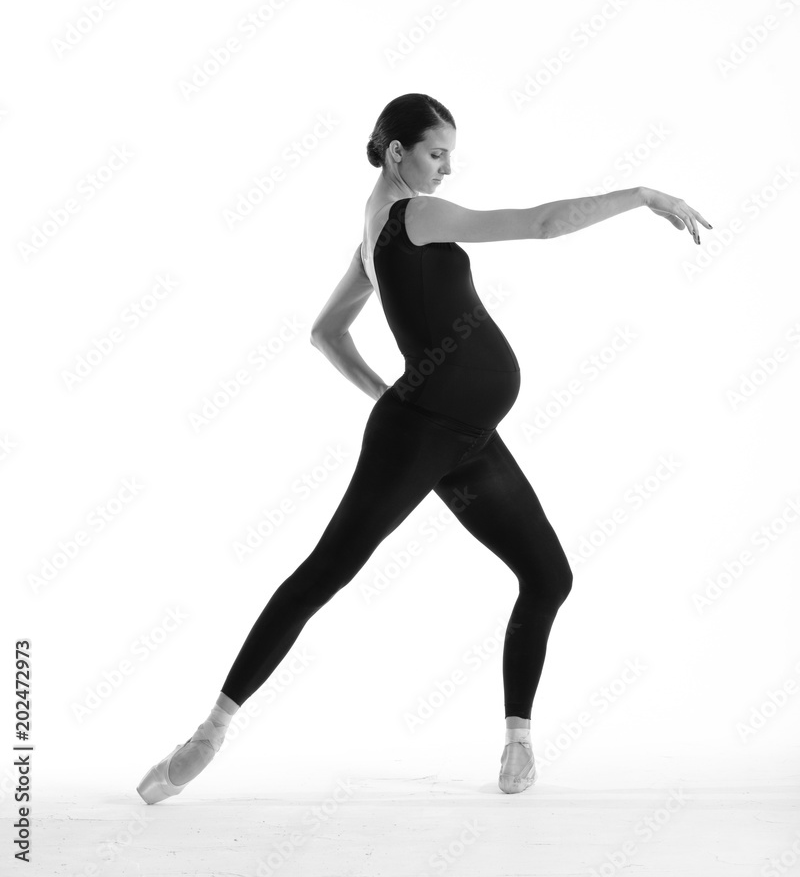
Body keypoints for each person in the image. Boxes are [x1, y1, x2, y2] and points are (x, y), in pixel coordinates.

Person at [136, 93, 712, 803]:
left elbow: (326, 334)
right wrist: (641, 193)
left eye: (450, 155)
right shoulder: (414, 215)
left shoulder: (373, 233)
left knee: (546, 576)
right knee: (326, 571)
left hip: (463, 438)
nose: (448, 168)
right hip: (426, 431)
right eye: (438, 153)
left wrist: (390, 396)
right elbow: (541, 223)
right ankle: (208, 735)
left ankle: (517, 744)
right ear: (396, 152)